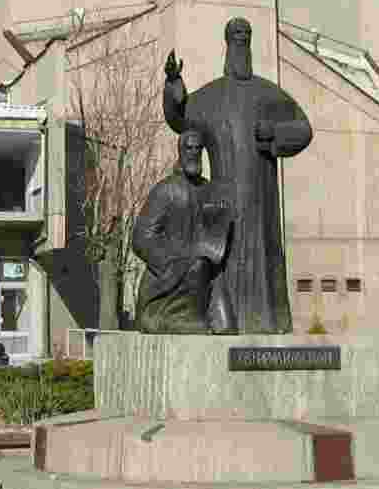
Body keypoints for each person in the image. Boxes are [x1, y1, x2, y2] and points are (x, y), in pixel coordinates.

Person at [164, 17, 313, 334]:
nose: (240, 41)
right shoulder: (208, 98)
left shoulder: (270, 94)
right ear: (227, 43)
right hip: (223, 203)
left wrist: (274, 132)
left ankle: (268, 322)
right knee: (224, 262)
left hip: (262, 202)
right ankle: (223, 321)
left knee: (263, 260)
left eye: (245, 35)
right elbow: (179, 117)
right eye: (235, 35)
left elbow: (304, 128)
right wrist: (173, 86)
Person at [132, 130, 233, 333]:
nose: (194, 152)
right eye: (189, 148)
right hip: (173, 278)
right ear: (180, 151)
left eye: (198, 148)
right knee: (195, 268)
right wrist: (172, 263)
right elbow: (141, 237)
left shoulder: (209, 189)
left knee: (227, 327)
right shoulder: (165, 190)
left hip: (208, 275)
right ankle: (174, 316)